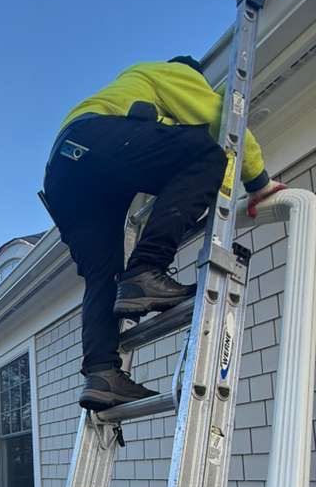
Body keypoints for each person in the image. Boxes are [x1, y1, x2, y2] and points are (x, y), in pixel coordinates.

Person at [41, 56, 285, 410]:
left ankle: (102, 374)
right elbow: (223, 122)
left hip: (64, 174)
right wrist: (259, 183)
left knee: (102, 275)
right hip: (95, 141)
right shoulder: (170, 73)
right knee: (208, 155)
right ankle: (146, 271)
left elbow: (150, 151)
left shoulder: (124, 90)